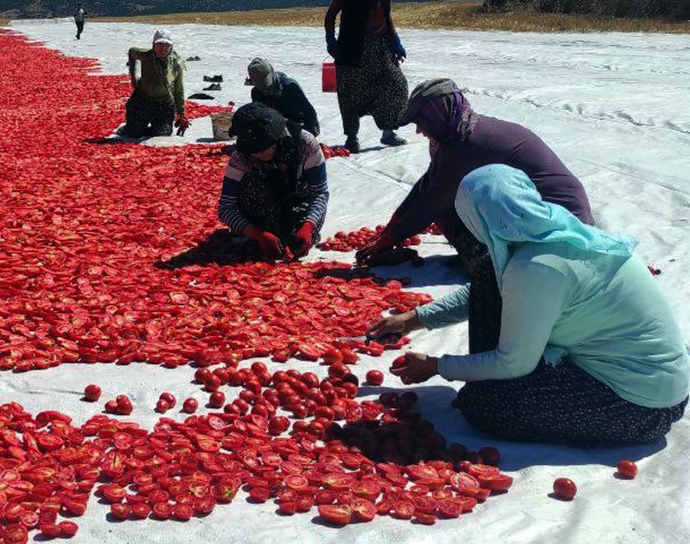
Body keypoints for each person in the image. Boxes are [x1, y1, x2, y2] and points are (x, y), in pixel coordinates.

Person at [371, 165, 688, 446]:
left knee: (486, 407)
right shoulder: (560, 232)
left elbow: (514, 364)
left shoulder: (536, 267)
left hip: (642, 408)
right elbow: (489, 292)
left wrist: (438, 366)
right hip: (662, 383)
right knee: (488, 275)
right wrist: (414, 318)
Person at [358, 79, 594, 348]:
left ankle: (488, 265)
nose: (419, 130)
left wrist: (390, 239)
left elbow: (433, 200)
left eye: (421, 121)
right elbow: (426, 185)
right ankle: (487, 258)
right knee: (452, 207)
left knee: (449, 210)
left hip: (560, 222)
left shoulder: (469, 141)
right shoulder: (456, 133)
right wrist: (392, 229)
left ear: (438, 112)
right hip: (531, 214)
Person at [324, 0, 409, 153]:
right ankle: (352, 137)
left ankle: (388, 132)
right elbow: (330, 15)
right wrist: (330, 40)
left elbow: (387, 15)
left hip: (381, 47)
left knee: (396, 85)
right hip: (352, 49)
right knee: (349, 93)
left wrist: (396, 41)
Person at [217, 103, 328, 261]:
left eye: (264, 146)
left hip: (296, 204)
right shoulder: (241, 157)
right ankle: (261, 234)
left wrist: (309, 226)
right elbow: (226, 208)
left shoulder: (306, 145)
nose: (259, 152)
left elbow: (320, 193)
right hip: (259, 211)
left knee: (295, 242)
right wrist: (258, 234)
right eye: (253, 150)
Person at [123, 30, 187, 137]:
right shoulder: (145, 55)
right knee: (134, 133)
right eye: (160, 44)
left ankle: (151, 126)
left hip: (164, 104)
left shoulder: (176, 63)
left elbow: (179, 89)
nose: (163, 48)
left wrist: (182, 114)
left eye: (167, 45)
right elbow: (131, 52)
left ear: (171, 46)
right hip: (142, 100)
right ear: (154, 45)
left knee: (162, 133)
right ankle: (132, 126)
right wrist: (133, 76)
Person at [247, 58, 319, 136]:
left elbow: (309, 111)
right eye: (258, 84)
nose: (264, 88)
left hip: (298, 124)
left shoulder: (290, 86)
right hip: (275, 127)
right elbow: (259, 118)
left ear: (271, 73)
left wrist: (308, 133)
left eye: (264, 83)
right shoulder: (256, 93)